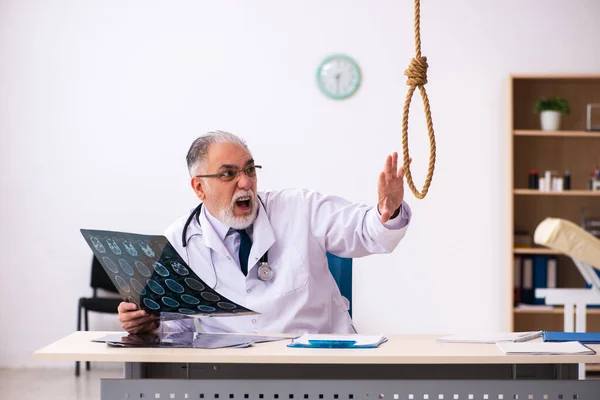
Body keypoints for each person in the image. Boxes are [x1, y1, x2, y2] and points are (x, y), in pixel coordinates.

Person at [118, 130, 412, 334]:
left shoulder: (299, 208)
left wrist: (387, 210)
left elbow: (366, 232)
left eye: (250, 170)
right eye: (228, 174)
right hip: (229, 377)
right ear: (199, 187)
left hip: (318, 368)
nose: (245, 183)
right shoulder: (178, 241)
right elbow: (177, 330)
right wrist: (148, 323)